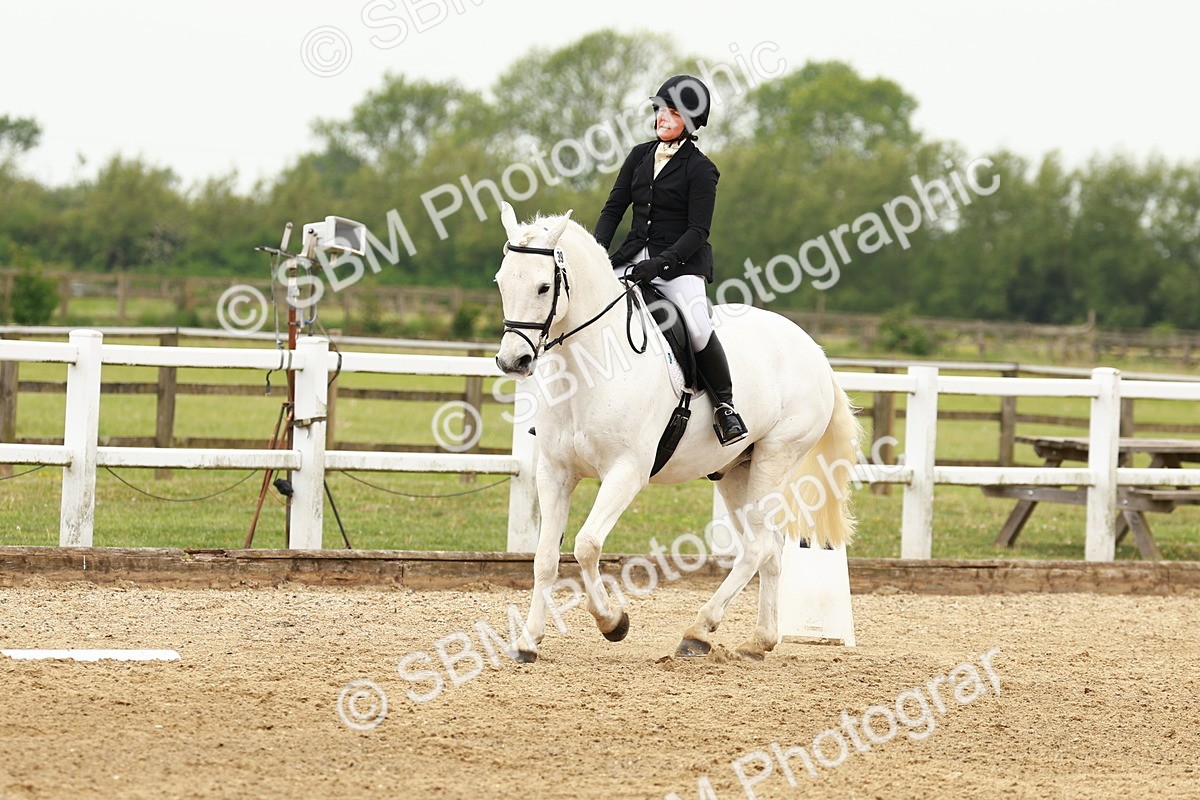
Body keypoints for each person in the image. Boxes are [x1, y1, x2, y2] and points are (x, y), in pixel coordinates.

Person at [593, 75, 748, 446]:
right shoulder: (639, 156)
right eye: (660, 109)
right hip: (631, 256)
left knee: (696, 326)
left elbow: (698, 231)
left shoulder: (701, 169)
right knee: (586, 308)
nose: (662, 117)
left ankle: (726, 408)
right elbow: (614, 208)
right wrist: (597, 253)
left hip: (681, 265)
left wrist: (660, 264)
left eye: (672, 112)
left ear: (691, 122)